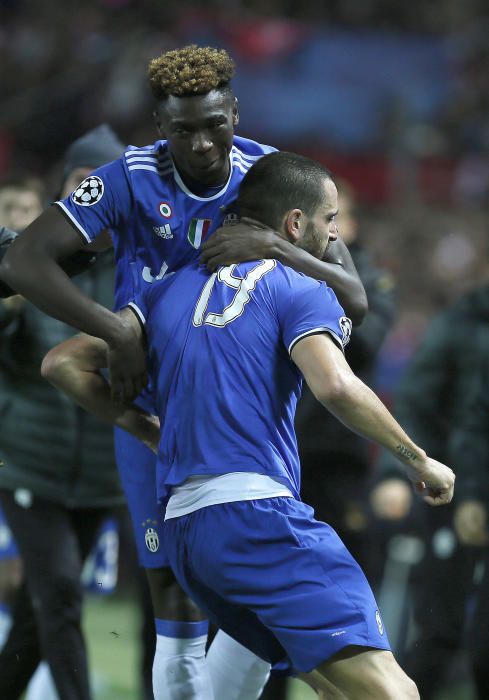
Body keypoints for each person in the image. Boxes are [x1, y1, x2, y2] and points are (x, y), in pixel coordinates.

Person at [2, 44, 367, 700]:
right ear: (158, 124)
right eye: (181, 129)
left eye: (213, 124)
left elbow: (355, 296)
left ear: (235, 111)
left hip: (244, 415)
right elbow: (23, 261)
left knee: (254, 588)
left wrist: (276, 244)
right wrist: (114, 330)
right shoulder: (128, 178)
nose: (200, 144)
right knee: (172, 597)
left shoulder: (267, 177)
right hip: (154, 416)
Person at [44, 151, 454, 700]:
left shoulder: (164, 293)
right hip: (259, 517)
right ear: (294, 224)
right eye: (330, 221)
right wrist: (419, 461)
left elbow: (63, 363)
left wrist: (146, 429)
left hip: (188, 534)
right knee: (394, 692)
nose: (336, 236)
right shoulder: (297, 286)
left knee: (333, 687)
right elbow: (335, 386)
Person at [0, 126, 126, 700]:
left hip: (102, 476)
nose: (91, 194)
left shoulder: (138, 268)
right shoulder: (27, 260)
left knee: (38, 610)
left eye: (104, 183)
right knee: (60, 597)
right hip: (30, 466)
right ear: (62, 189)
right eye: (82, 182)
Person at [370, 281, 489, 698]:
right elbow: (417, 403)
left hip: (468, 489)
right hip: (453, 493)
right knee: (441, 629)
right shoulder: (459, 323)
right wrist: (394, 474)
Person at [296, 179, 396, 583]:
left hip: (338, 452)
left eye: (338, 216)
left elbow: (366, 341)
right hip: (282, 445)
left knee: (344, 569)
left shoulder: (373, 281)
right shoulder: (282, 272)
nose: (331, 228)